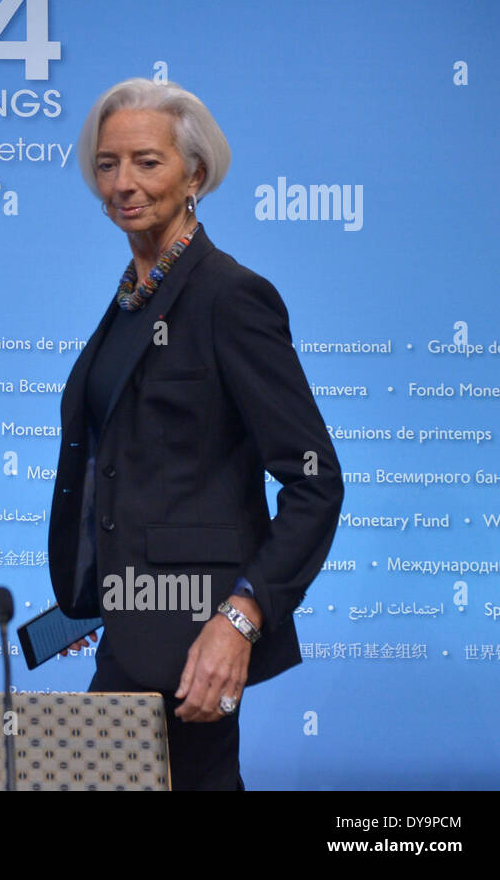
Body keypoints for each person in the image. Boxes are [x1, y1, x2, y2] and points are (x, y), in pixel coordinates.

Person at [48, 78, 344, 790]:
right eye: (108, 163)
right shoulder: (134, 296)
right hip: (132, 629)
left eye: (147, 162)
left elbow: (314, 481)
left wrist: (240, 618)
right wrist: (91, 591)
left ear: (196, 176)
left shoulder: (229, 296)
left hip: (195, 644)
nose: (123, 183)